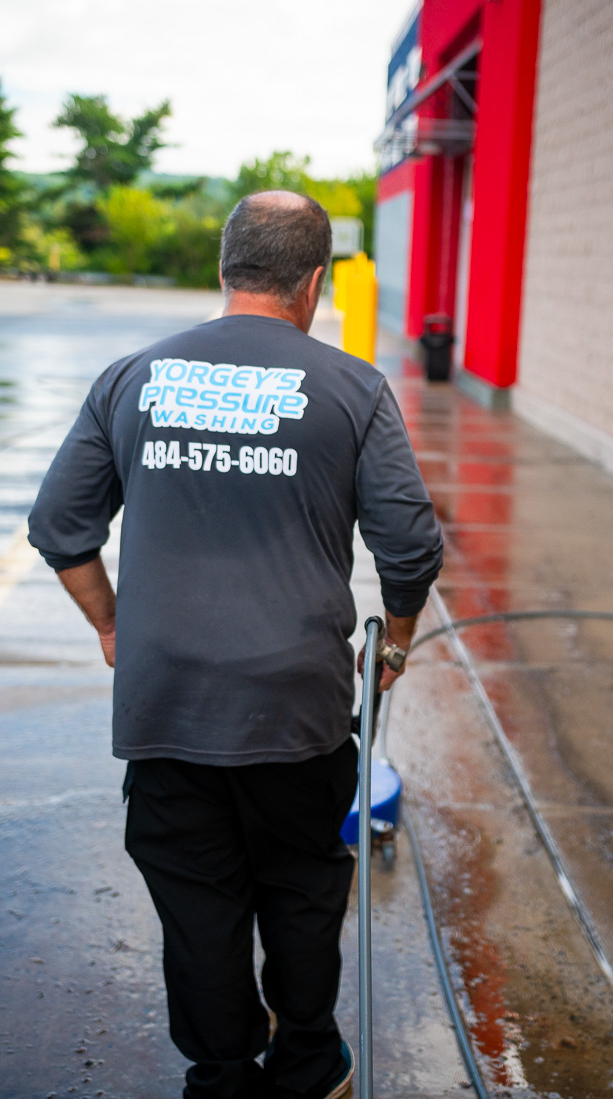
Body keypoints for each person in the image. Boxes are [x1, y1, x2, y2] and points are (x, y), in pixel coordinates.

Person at [28, 191, 443, 1099]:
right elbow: (410, 544)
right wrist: (396, 641)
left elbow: (60, 525)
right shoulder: (352, 388)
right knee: (299, 885)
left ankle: (221, 1072)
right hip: (294, 707)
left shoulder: (131, 376)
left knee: (196, 898)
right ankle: (305, 1062)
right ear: (314, 283)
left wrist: (111, 621)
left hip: (165, 700)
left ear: (224, 270)